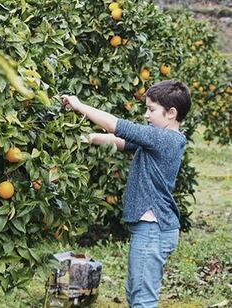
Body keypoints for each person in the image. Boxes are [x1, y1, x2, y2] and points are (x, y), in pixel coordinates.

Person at [62, 80, 191, 307]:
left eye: (151, 110)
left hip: (153, 229)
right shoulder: (157, 139)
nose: (146, 115)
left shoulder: (165, 139)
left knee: (142, 299)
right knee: (135, 292)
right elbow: (120, 140)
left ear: (171, 113)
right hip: (152, 229)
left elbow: (118, 126)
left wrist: (80, 106)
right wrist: (88, 138)